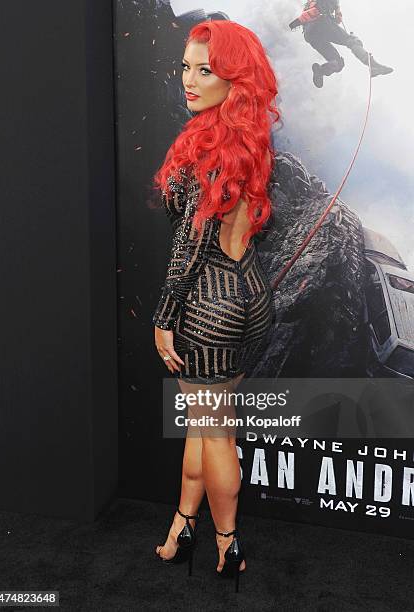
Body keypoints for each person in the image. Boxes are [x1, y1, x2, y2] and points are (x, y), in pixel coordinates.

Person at [152, 20, 279, 592]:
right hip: (250, 297)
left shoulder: (207, 151)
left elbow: (191, 242)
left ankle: (227, 544)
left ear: (235, 78)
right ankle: (183, 527)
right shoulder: (245, 138)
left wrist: (164, 316)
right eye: (186, 66)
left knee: (214, 432)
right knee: (205, 428)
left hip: (208, 306)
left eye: (205, 70)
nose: (189, 79)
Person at [289, 0, 394, 88]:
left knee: (337, 63)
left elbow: (309, 15)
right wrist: (336, 12)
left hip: (310, 34)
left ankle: (320, 71)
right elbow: (338, 18)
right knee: (351, 40)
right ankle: (373, 66)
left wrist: (296, 22)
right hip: (322, 23)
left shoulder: (309, 3)